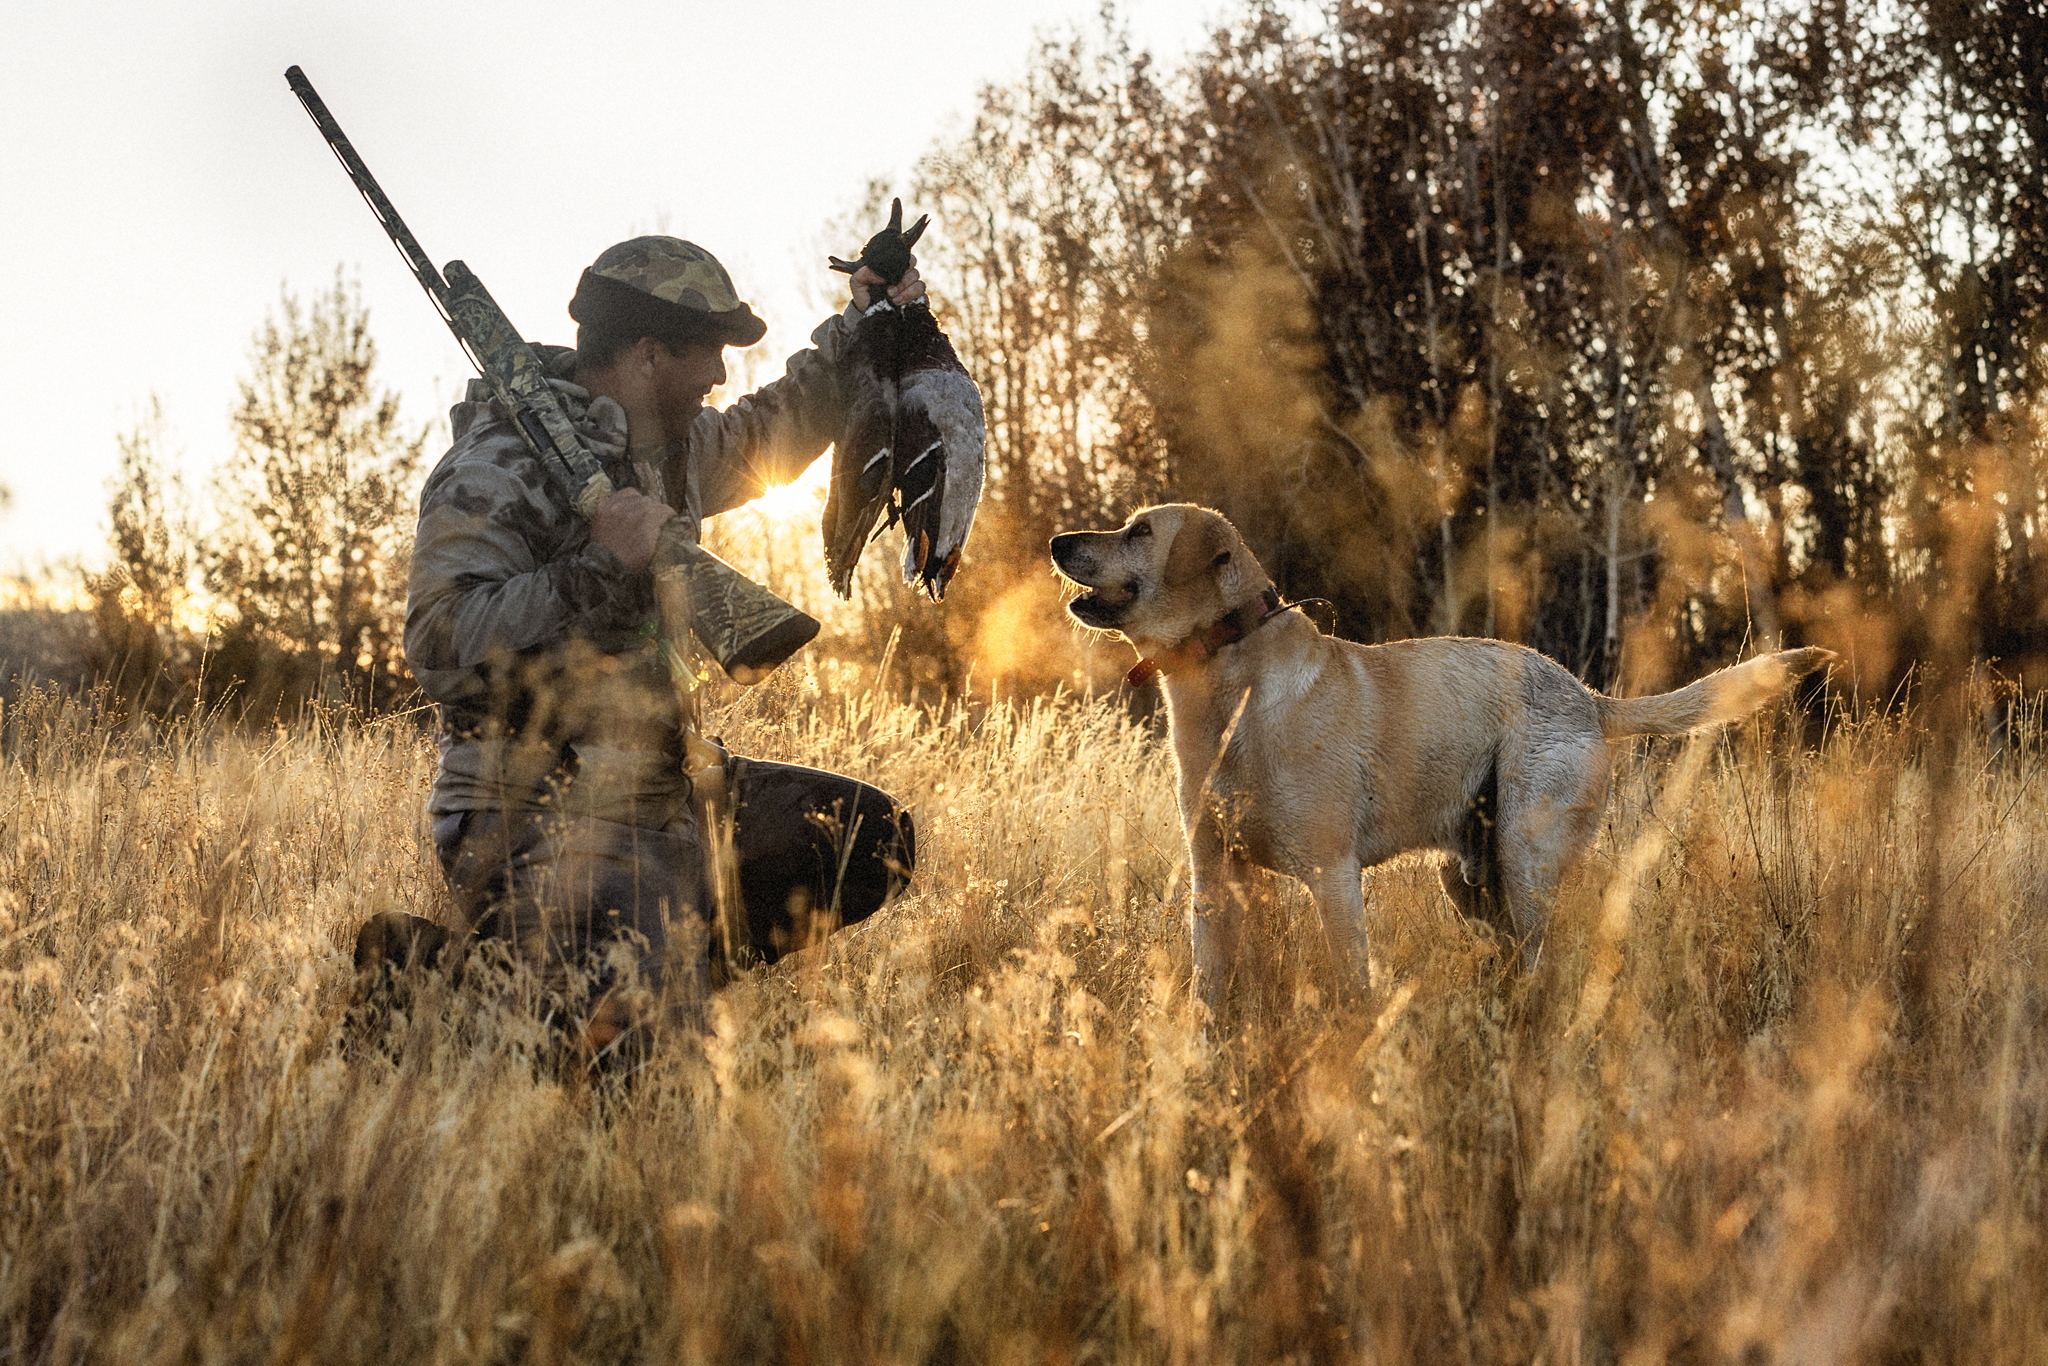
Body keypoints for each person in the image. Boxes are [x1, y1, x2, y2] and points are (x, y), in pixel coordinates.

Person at [397, 235, 918, 1053]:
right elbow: (437, 646)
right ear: (648, 356)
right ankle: (455, 993)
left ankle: (615, 986)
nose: (720, 375)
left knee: (867, 838)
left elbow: (777, 427)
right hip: (528, 817)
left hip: (662, 797)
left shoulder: (667, 451)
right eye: (708, 353)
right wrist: (600, 563)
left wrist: (865, 316)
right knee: (639, 1070)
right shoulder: (494, 466)